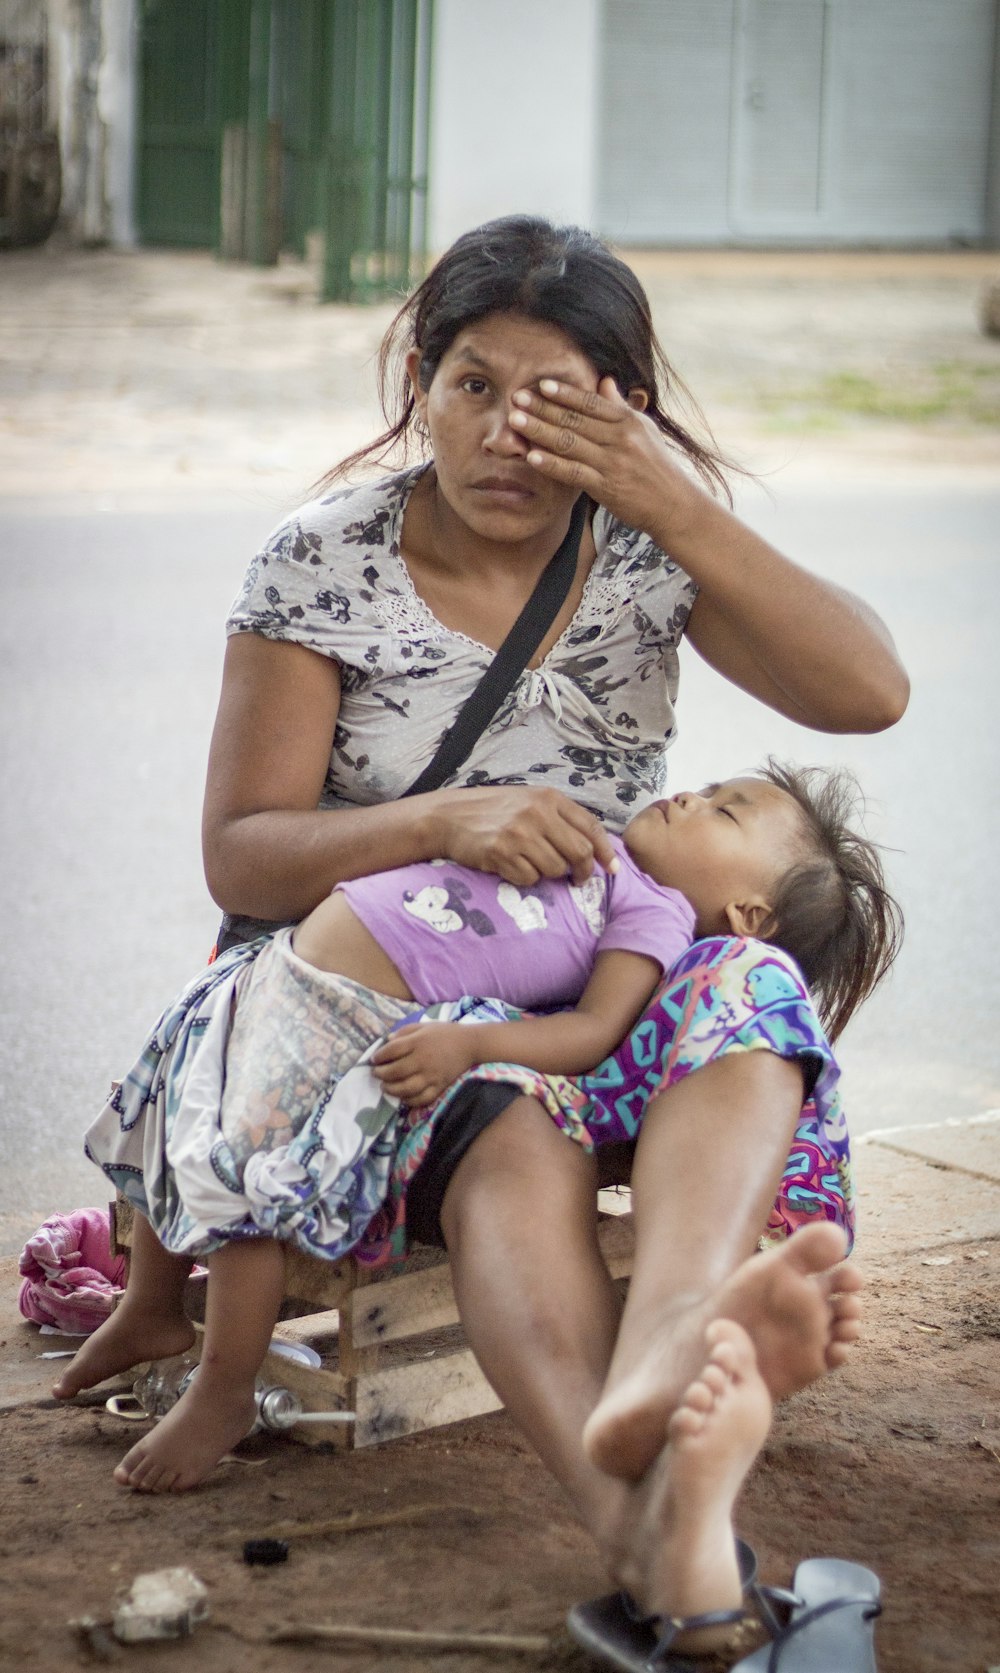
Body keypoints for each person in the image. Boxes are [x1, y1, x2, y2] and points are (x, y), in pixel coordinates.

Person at [60, 216, 910, 1647]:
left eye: (561, 400)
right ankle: (650, 1529)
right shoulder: (324, 563)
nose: (509, 434)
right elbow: (241, 855)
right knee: (513, 1119)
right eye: (474, 385)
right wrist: (442, 820)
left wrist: (674, 502)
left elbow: (869, 691)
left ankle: (674, 1342)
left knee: (754, 973)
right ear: (419, 376)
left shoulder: (645, 548)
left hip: (614, 973)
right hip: (399, 1002)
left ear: (626, 413)